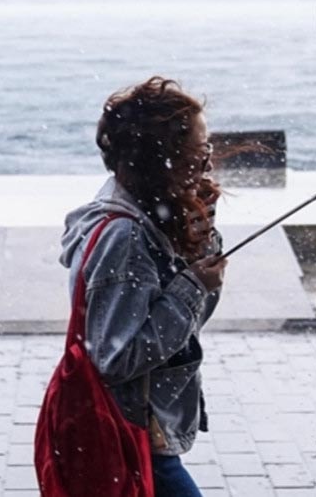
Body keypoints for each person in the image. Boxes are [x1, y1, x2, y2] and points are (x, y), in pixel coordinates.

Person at [59, 76, 226, 497]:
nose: (207, 165)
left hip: (141, 429)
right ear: (162, 159)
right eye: (198, 153)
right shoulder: (126, 237)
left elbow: (189, 324)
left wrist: (198, 240)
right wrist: (192, 284)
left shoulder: (146, 216)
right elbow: (118, 357)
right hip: (130, 430)